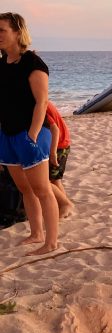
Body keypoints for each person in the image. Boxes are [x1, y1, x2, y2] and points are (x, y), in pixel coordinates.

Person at [0, 12, 59, 255]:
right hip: (7, 134)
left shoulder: (33, 63)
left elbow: (42, 102)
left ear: (17, 32)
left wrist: (32, 135)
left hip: (30, 134)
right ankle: (36, 234)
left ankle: (51, 242)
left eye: (2, 30)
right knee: (24, 189)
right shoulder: (2, 64)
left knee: (42, 189)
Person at [46, 100, 73, 218]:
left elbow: (55, 129)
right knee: (55, 179)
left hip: (59, 146)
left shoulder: (40, 105)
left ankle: (65, 204)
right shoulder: (44, 101)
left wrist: (52, 153)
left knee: (47, 180)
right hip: (63, 143)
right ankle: (64, 204)